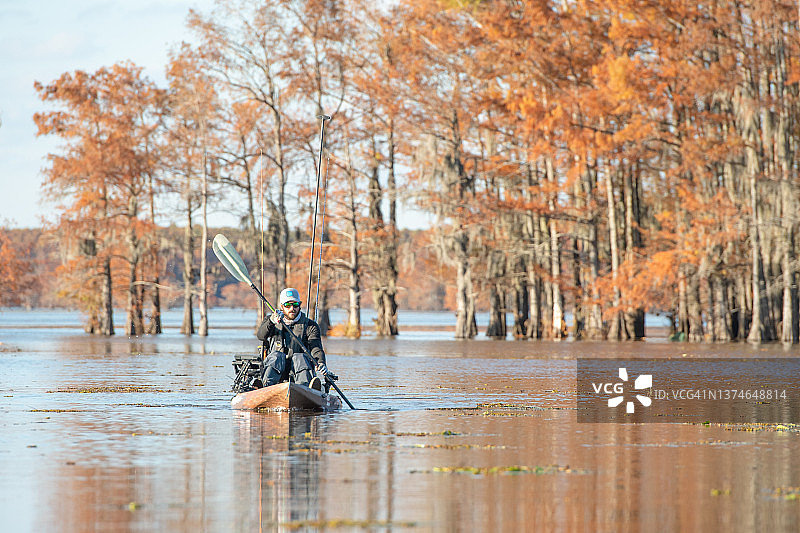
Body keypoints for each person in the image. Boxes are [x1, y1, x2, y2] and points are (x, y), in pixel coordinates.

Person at [256, 287, 331, 391]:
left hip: (299, 368)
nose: (292, 308)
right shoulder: (270, 321)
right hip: (277, 368)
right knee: (276, 356)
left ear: (299, 305)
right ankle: (266, 387)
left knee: (300, 357)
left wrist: (321, 362)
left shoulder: (310, 325)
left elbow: (316, 348)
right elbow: (261, 335)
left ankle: (305, 389)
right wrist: (271, 321)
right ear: (282, 306)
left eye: (295, 305)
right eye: (287, 305)